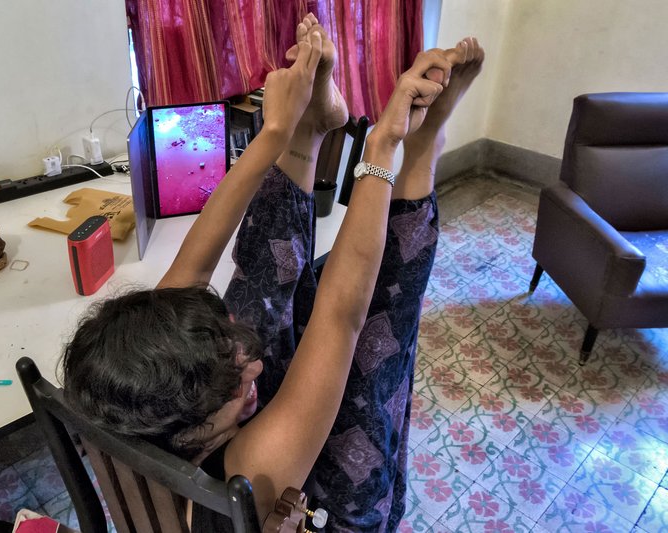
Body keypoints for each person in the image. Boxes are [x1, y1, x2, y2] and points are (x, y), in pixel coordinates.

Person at [61, 13, 482, 531]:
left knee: (258, 283)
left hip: (218, 438)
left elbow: (196, 259)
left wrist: (278, 131)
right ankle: (424, 155)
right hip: (330, 509)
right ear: (194, 436)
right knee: (371, 349)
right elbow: (341, 313)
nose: (253, 367)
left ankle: (311, 133)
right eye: (233, 385)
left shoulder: (122, 386)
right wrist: (384, 148)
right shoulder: (247, 475)